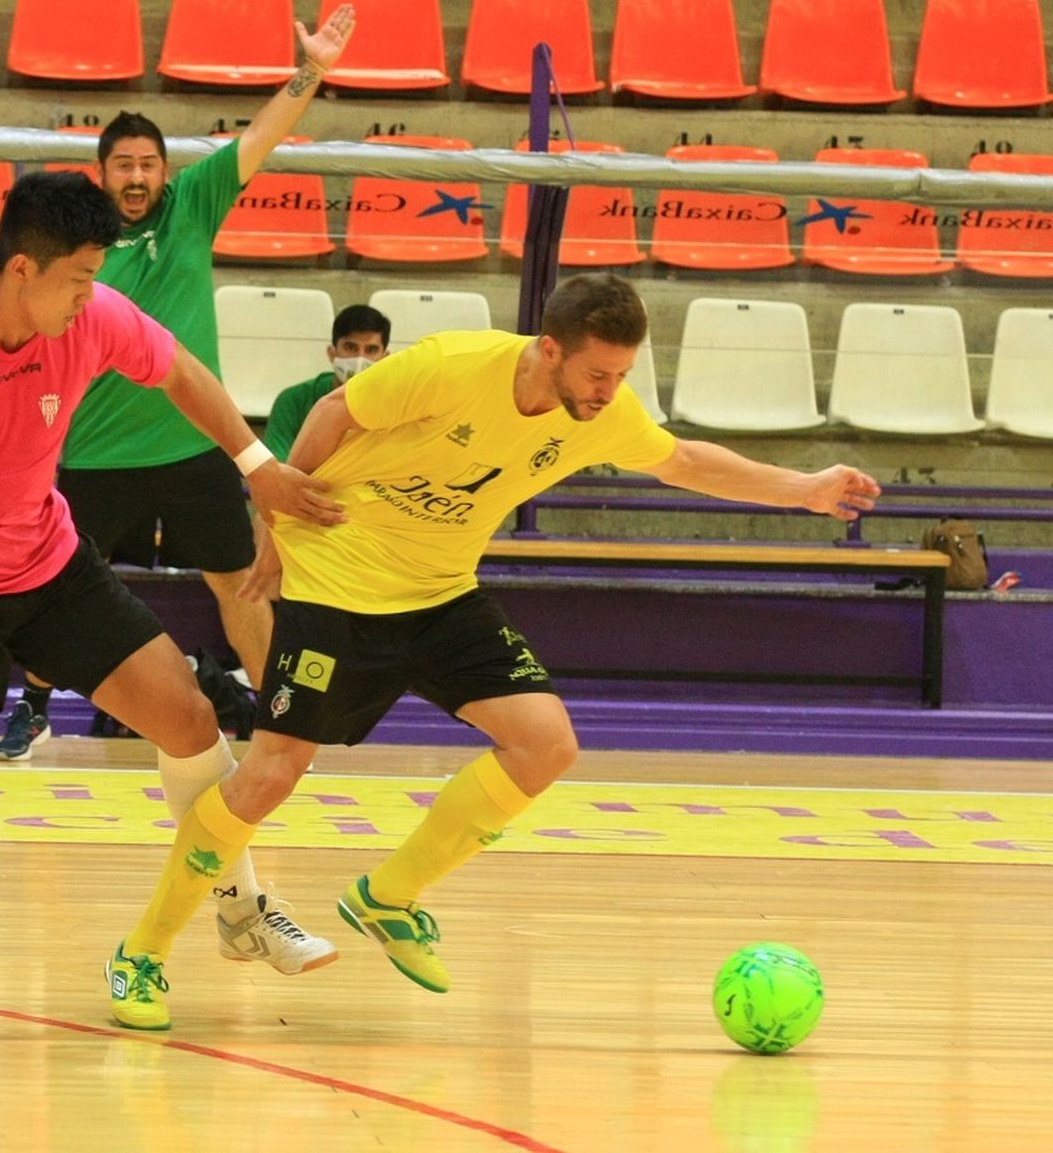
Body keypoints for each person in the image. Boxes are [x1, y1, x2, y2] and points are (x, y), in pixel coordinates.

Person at [106, 273, 882, 1029]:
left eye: (621, 374)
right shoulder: (453, 365)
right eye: (598, 372)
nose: (609, 390)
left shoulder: (597, 413)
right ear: (549, 349)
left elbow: (681, 460)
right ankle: (144, 949)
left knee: (545, 743)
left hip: (440, 591)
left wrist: (804, 488)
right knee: (273, 772)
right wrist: (280, 523)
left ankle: (389, 894)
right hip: (338, 579)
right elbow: (339, 408)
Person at [0, 172, 346, 1033]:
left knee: (191, 721)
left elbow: (182, 371)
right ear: (19, 271)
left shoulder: (92, 316)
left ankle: (244, 909)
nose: (92, 295)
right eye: (78, 277)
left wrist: (258, 467)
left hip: (46, 561)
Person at [0, 4, 358, 762]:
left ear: (165, 170)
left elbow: (264, 133)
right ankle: (30, 706)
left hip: (195, 450)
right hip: (97, 454)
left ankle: (277, 719)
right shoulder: (77, 239)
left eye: (147, 164)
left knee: (242, 585)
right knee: (55, 583)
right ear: (102, 175)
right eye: (122, 165)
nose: (136, 176)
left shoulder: (194, 204)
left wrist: (313, 67)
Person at [265, 304, 391, 463]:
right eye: (350, 347)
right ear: (332, 353)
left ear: (385, 359)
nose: (360, 359)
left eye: (371, 350)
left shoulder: (397, 406)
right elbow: (277, 470)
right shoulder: (292, 400)